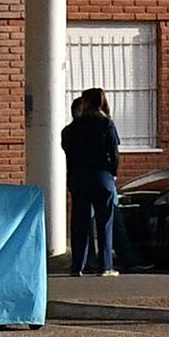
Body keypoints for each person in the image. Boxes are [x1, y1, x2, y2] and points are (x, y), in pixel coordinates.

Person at [61, 86, 121, 276]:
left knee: (79, 222)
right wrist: (112, 172)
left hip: (78, 178)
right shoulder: (106, 124)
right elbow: (114, 153)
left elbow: (67, 150)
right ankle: (105, 266)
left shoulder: (71, 129)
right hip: (101, 176)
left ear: (85, 102)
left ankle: (77, 265)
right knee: (104, 223)